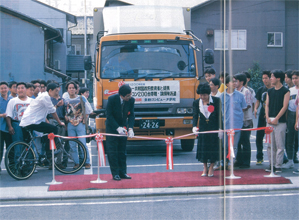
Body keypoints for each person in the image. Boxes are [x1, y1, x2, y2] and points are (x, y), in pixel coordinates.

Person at [19, 83, 66, 164]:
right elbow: (53, 112)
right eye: (56, 91)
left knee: (28, 143)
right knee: (54, 129)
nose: (57, 93)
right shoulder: (45, 97)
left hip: (27, 122)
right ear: (50, 90)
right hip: (33, 122)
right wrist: (60, 122)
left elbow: (49, 109)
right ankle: (49, 154)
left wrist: (57, 106)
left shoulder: (42, 95)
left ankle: (27, 166)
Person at [106, 84, 135, 181]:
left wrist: (130, 128)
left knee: (122, 151)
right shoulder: (112, 99)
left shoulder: (131, 100)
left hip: (124, 127)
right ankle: (115, 173)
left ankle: (123, 172)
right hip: (112, 128)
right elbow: (109, 116)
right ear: (121, 95)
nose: (129, 97)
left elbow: (131, 115)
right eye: (128, 96)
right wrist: (117, 128)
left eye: (130, 95)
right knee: (113, 151)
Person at [192, 83, 222, 177]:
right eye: (200, 95)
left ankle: (211, 166)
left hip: (214, 127)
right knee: (203, 147)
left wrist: (221, 128)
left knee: (213, 147)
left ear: (208, 94)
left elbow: (220, 116)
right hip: (203, 128)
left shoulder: (216, 101)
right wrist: (194, 126)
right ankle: (205, 167)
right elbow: (195, 115)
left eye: (204, 95)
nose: (202, 97)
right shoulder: (196, 102)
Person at [219, 76, 247, 170]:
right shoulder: (221, 96)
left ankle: (231, 162)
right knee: (225, 145)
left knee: (234, 145)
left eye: (235, 82)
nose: (235, 83)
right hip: (225, 124)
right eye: (232, 82)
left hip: (236, 124)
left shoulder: (240, 95)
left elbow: (243, 108)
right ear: (227, 84)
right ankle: (223, 162)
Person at [265, 70, 290, 173]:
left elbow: (285, 106)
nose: (271, 78)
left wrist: (276, 118)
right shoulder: (269, 91)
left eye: (272, 76)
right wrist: (267, 117)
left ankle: (278, 165)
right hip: (269, 121)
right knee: (270, 145)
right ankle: (271, 164)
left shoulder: (285, 91)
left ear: (278, 78)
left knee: (280, 144)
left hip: (280, 122)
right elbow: (266, 105)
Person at [64, 81, 93, 169]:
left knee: (82, 143)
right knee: (72, 144)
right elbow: (64, 112)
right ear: (67, 90)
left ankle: (87, 162)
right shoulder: (65, 100)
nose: (72, 89)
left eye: (73, 88)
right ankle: (76, 163)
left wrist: (84, 119)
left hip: (80, 123)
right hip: (70, 124)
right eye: (70, 88)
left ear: (76, 89)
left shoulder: (82, 98)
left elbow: (89, 110)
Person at [234, 73, 254, 168]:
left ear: (241, 82)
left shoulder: (246, 91)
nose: (234, 83)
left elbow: (247, 105)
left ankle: (246, 162)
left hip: (245, 119)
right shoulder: (234, 91)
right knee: (237, 141)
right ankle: (239, 160)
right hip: (236, 120)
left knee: (245, 141)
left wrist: (236, 110)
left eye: (236, 81)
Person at [254, 70, 273, 164]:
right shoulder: (261, 89)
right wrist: (255, 108)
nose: (264, 80)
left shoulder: (274, 89)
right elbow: (257, 101)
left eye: (266, 78)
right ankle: (259, 157)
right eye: (263, 78)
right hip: (262, 115)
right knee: (259, 137)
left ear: (271, 78)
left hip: (272, 115)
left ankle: (280, 158)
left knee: (272, 138)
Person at [282, 70, 299, 169]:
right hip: (291, 114)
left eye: (296, 78)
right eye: (293, 78)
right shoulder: (290, 90)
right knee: (290, 138)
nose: (294, 80)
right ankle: (290, 160)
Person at [0, 82, 13, 173]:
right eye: (1, 88)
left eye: (5, 88)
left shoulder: (12, 100)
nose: (3, 90)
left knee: (11, 148)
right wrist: (2, 115)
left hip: (10, 128)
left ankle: (11, 166)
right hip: (0, 127)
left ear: (8, 89)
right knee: (0, 149)